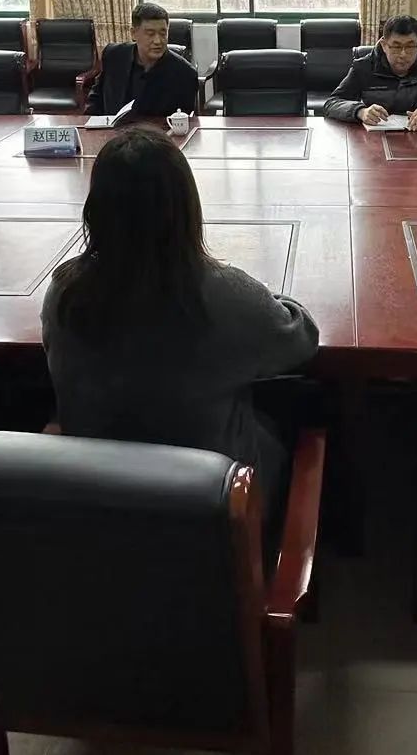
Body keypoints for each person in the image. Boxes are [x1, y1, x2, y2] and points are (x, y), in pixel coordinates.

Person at [41, 127, 319, 514]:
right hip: (211, 509)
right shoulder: (223, 294)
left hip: (96, 505)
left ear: (96, 209)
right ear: (186, 206)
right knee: (305, 405)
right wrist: (266, 296)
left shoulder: (64, 292)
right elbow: (302, 339)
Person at [322, 15, 417, 130]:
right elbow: (332, 104)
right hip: (376, 141)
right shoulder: (364, 67)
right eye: (396, 47)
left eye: (411, 46)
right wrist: (361, 112)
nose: (403, 54)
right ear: (384, 45)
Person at [90, 1, 200, 116]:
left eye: (163, 33)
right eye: (150, 34)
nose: (158, 41)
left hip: (158, 128)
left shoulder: (185, 74)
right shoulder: (114, 56)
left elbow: (184, 120)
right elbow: (96, 98)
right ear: (133, 33)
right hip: (112, 127)